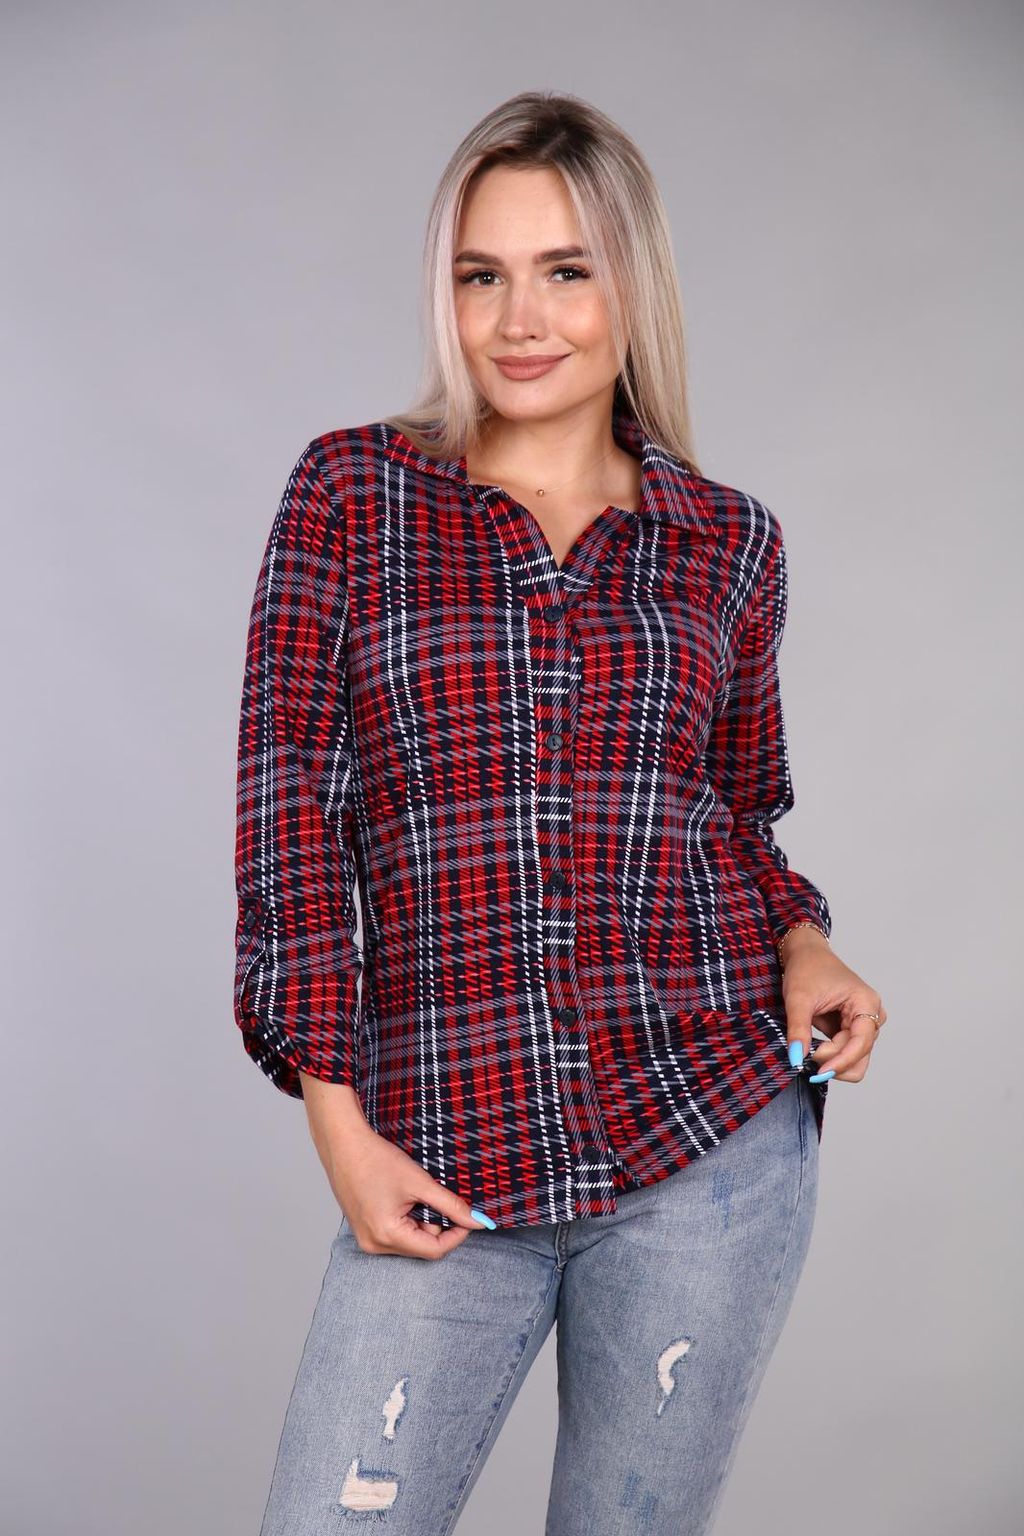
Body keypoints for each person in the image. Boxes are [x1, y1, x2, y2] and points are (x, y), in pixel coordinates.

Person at [233, 89, 885, 1536]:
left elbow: (735, 817)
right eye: (482, 275)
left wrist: (805, 947)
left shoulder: (729, 541)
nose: (519, 320)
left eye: (565, 271)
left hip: (708, 1144)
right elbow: (291, 826)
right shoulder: (353, 496)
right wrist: (338, 1127)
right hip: (438, 1154)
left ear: (630, 288)